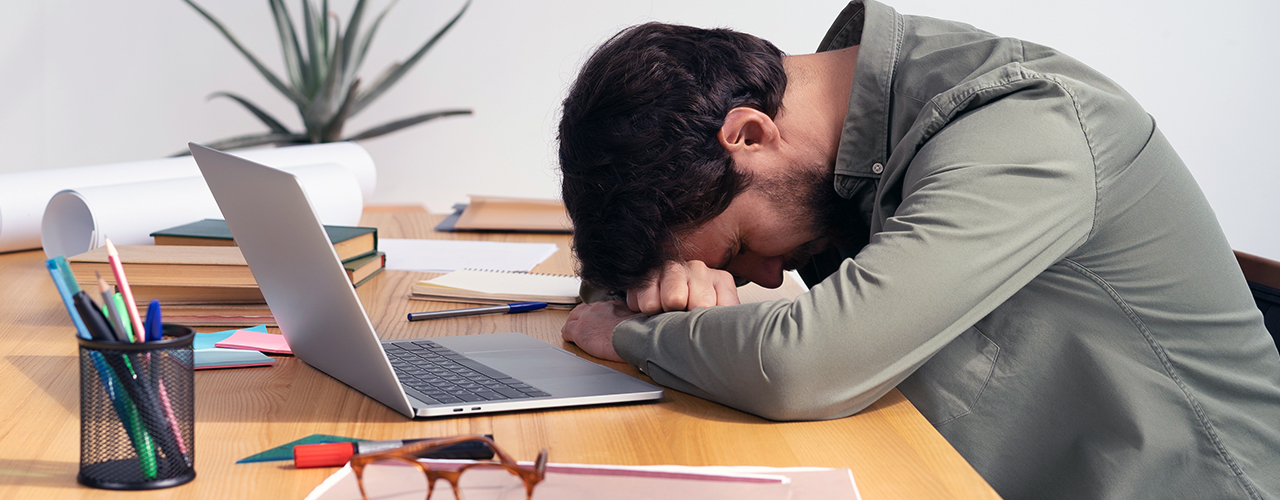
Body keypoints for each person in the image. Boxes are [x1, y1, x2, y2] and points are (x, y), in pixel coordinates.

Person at [556, 1, 1280, 499]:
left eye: (741, 247)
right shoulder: (852, 159)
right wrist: (672, 279)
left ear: (748, 135)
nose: (767, 276)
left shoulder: (1027, 126)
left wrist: (632, 333)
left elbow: (807, 364)